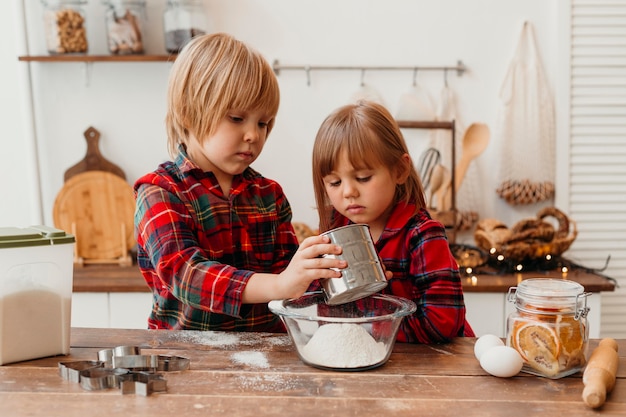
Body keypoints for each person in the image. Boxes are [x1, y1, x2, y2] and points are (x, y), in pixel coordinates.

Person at [134, 32, 346, 332]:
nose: (254, 135)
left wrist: (328, 272)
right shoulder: (160, 192)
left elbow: (294, 284)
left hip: (267, 355)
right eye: (236, 118)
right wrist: (281, 284)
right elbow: (187, 276)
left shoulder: (269, 195)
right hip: (187, 360)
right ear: (189, 113)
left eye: (263, 123)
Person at [311, 100, 475, 343]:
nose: (348, 192)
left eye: (363, 178)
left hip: (435, 366)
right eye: (334, 183)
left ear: (399, 170)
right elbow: (328, 318)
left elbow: (442, 325)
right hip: (371, 361)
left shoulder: (422, 235)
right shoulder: (334, 230)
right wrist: (311, 279)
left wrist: (374, 304)